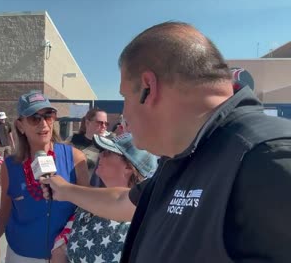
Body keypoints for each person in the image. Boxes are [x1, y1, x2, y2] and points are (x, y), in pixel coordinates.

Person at [42, 22, 291, 263]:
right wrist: (64, 190)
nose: (124, 114)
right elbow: (123, 201)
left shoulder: (269, 157)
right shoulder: (185, 156)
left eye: (124, 96)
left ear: (148, 88)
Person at [0, 91, 89, 263]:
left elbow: (87, 209)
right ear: (20, 125)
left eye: (48, 116)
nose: (43, 124)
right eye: (34, 118)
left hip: (64, 256)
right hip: (20, 256)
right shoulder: (9, 166)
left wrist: (65, 246)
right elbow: (4, 214)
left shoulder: (76, 158)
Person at [51, 133, 157, 263]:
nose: (100, 155)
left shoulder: (146, 217)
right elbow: (61, 249)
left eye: (107, 152)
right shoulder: (89, 201)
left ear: (128, 167)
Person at [68, 108, 108, 184]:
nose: (103, 126)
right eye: (99, 123)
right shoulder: (72, 141)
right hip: (74, 187)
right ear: (87, 123)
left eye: (106, 123)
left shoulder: (108, 146)